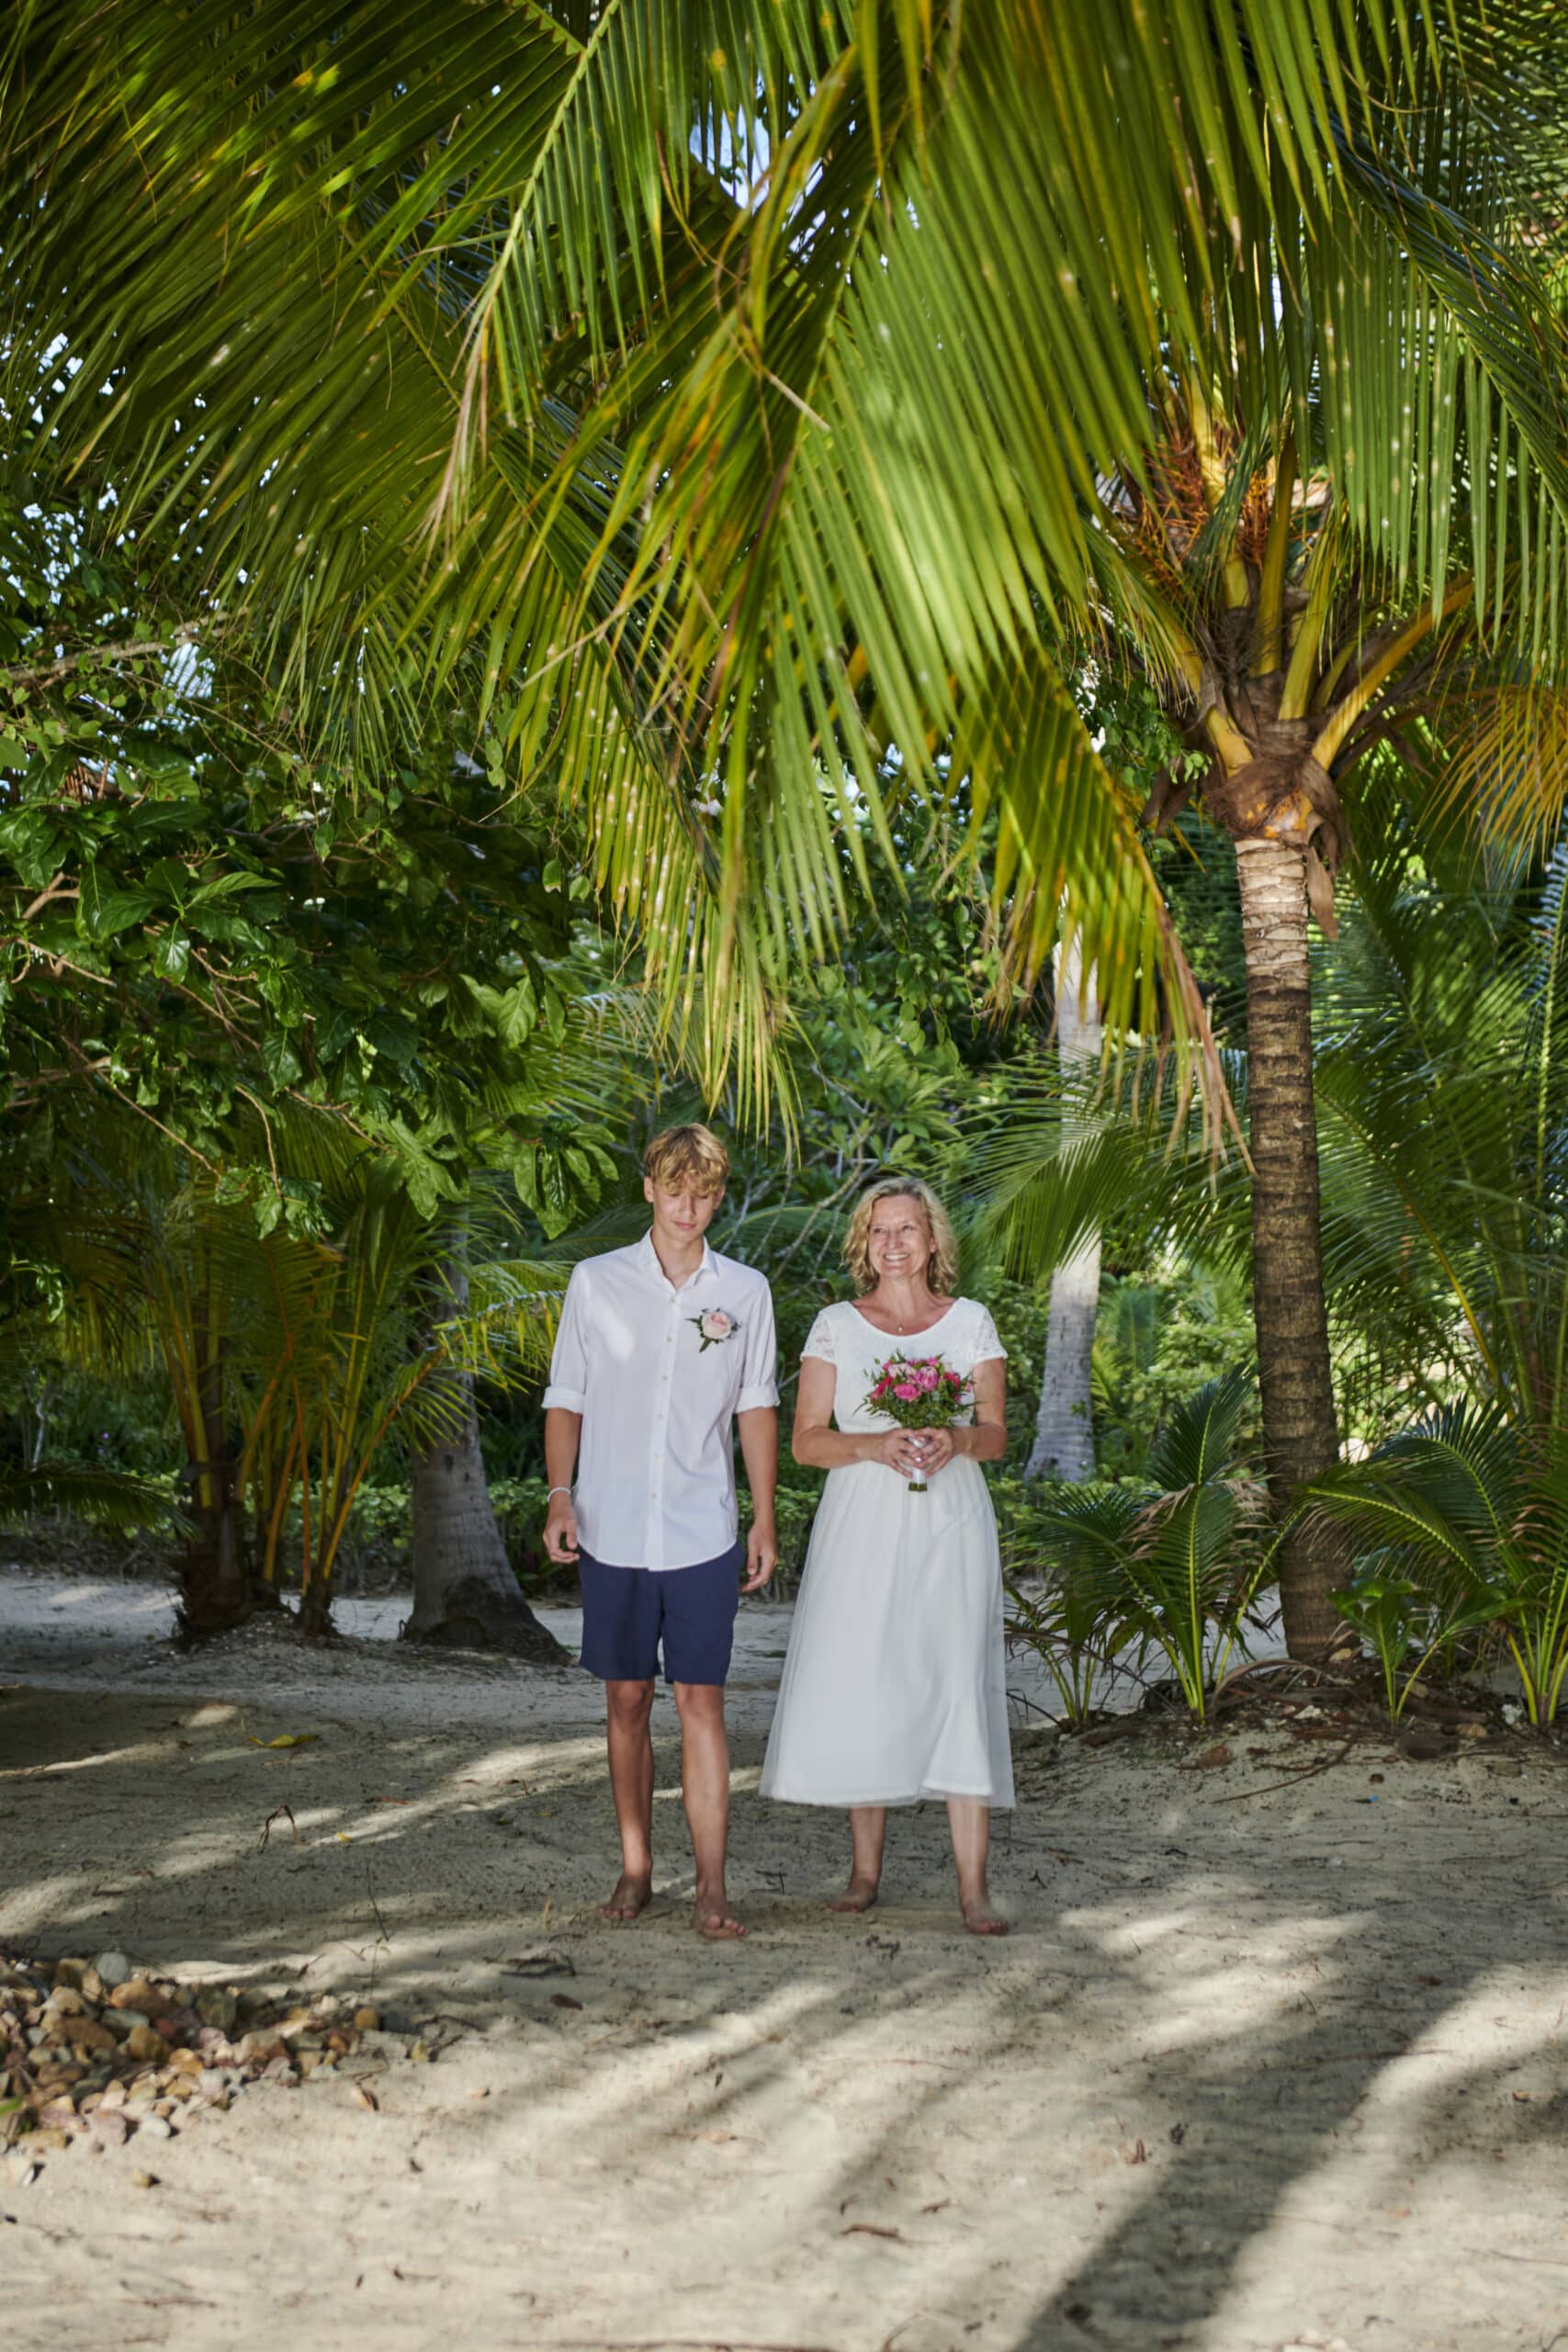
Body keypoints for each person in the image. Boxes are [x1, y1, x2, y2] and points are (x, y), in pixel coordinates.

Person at [542, 1124, 779, 1939]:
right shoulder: (594, 1282)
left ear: (719, 1195)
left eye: (705, 1192)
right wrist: (559, 1497)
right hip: (609, 1525)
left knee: (702, 1702)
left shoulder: (744, 1293)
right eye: (675, 1188)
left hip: (702, 1527)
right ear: (648, 1187)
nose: (689, 1206)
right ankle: (637, 1867)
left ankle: (713, 1885)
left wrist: (763, 1518)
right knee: (627, 1699)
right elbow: (565, 1395)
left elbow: (755, 1406)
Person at [759, 1177, 1013, 1935]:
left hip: (951, 1518)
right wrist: (874, 1442)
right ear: (862, 1245)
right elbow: (806, 1440)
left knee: (955, 1674)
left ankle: (973, 1888)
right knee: (867, 1674)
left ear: (934, 1240)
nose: (894, 1243)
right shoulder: (838, 1323)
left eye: (908, 1228)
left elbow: (996, 1433)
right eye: (879, 1231)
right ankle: (864, 1871)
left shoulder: (969, 1322)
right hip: (863, 1520)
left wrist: (956, 1438)